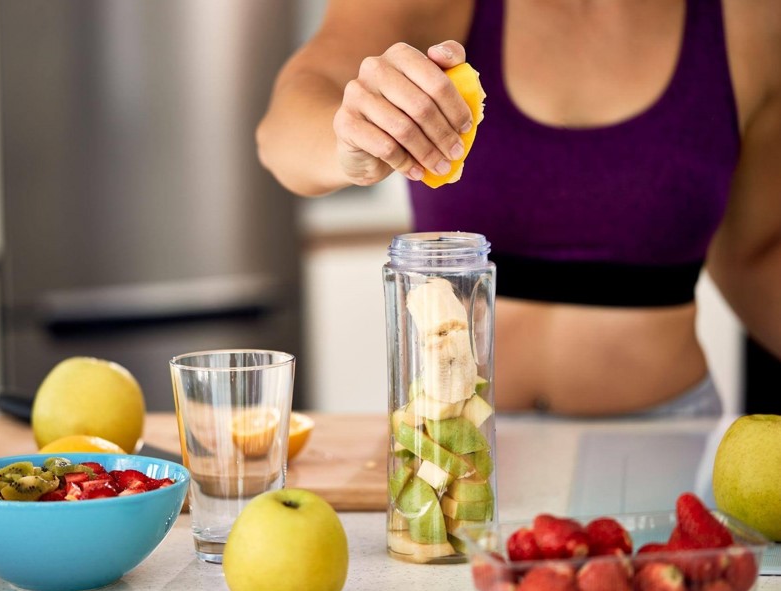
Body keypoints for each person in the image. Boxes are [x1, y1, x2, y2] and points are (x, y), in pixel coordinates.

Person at [256, 0, 781, 416]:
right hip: (453, 438)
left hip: (669, 437)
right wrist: (348, 143)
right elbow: (283, 129)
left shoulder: (751, 18)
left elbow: (754, 255)